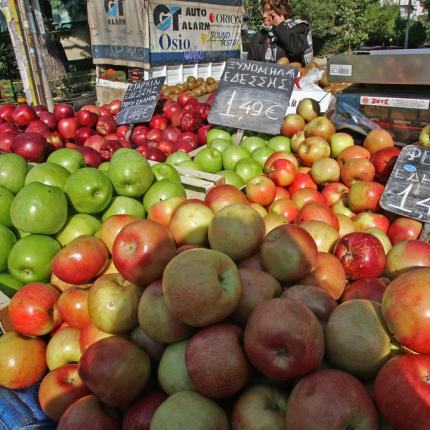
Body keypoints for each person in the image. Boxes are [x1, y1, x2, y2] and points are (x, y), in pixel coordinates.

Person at [248, 0, 313, 65]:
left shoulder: (298, 28)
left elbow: (296, 50)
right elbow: (249, 67)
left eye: (269, 10)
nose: (264, 15)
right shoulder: (258, 36)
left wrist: (280, 26)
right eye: (264, 11)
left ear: (281, 12)